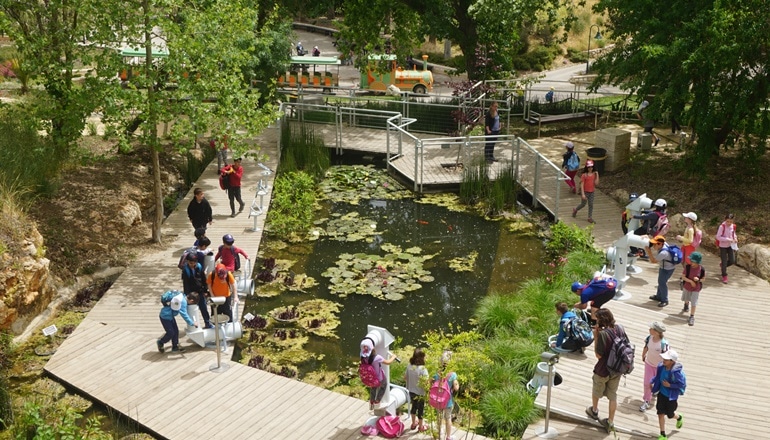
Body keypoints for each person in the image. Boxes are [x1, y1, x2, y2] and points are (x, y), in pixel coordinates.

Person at [585, 308, 623, 434]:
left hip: (603, 370)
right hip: (617, 369)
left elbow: (598, 355)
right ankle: (610, 422)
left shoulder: (603, 334)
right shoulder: (620, 328)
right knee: (613, 396)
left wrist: (596, 337)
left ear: (602, 320)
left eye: (598, 320)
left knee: (596, 390)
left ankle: (594, 411)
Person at [651, 349, 686, 440]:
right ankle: (662, 434)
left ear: (672, 361)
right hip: (662, 394)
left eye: (666, 359)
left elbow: (681, 384)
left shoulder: (676, 373)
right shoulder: (661, 367)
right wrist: (652, 382)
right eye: (664, 358)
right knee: (660, 413)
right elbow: (658, 377)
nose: (663, 360)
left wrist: (670, 385)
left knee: (670, 415)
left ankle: (679, 417)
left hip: (671, 397)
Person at [360, 339, 397, 409]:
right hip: (379, 377)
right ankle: (377, 402)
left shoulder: (363, 357)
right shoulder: (377, 358)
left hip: (371, 378)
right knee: (384, 385)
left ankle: (371, 402)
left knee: (373, 388)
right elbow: (388, 362)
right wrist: (393, 357)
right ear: (372, 348)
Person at [640, 321, 668, 412]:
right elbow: (646, 347)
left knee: (657, 383)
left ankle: (656, 390)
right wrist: (643, 355)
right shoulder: (649, 338)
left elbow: (666, 356)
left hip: (659, 367)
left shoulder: (663, 344)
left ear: (656, 332)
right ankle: (646, 400)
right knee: (647, 383)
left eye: (651, 329)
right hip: (649, 364)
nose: (649, 329)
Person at [181, 252, 213, 329]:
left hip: (200, 292)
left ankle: (207, 323)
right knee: (191, 310)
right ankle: (192, 326)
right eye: (191, 263)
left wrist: (205, 291)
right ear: (187, 261)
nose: (193, 264)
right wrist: (188, 295)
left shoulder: (199, 267)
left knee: (204, 309)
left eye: (194, 262)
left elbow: (203, 279)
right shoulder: (185, 270)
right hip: (192, 293)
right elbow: (186, 284)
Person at [433, 351, 459, 440]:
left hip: (438, 400)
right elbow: (456, 388)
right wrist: (457, 384)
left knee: (439, 417)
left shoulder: (437, 373)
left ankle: (439, 435)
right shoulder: (452, 374)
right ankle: (448, 437)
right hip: (448, 401)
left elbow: (431, 382)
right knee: (448, 418)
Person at [646, 235, 676, 307]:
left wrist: (649, 252)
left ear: (660, 244)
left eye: (655, 244)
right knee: (660, 282)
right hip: (665, 267)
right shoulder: (664, 244)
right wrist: (646, 237)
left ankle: (665, 300)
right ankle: (659, 296)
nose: (653, 246)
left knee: (662, 283)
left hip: (667, 269)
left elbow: (653, 261)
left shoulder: (663, 253)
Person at [404, 348, 428, 432]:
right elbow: (425, 383)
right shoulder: (423, 369)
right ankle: (421, 427)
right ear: (421, 357)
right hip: (420, 393)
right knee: (420, 410)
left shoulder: (410, 366)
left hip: (411, 391)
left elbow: (405, 378)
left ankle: (413, 423)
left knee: (413, 407)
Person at [681, 252, 704, 326]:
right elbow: (683, 277)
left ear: (697, 262)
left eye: (693, 261)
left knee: (694, 302)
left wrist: (698, 280)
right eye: (691, 261)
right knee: (686, 298)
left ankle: (692, 316)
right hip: (687, 286)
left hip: (696, 288)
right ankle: (686, 304)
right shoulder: (687, 267)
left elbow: (703, 279)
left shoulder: (701, 269)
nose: (691, 262)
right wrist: (690, 281)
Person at [716, 213, 738, 283]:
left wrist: (735, 238)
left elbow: (733, 233)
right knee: (724, 261)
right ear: (725, 220)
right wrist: (728, 239)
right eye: (727, 221)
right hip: (723, 246)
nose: (729, 223)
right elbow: (718, 237)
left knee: (732, 260)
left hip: (730, 245)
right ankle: (724, 275)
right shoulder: (722, 226)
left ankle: (722, 265)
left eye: (731, 221)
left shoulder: (733, 226)